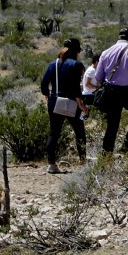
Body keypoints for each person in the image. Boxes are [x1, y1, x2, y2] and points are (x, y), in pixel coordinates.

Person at [40, 37, 88, 174]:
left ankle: (51, 164)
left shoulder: (53, 64)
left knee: (54, 133)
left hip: (54, 101)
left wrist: (48, 96)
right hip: (72, 102)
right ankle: (83, 163)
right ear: (75, 51)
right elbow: (76, 88)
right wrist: (81, 104)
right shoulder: (76, 65)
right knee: (79, 132)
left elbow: (44, 84)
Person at [94, 27, 128, 152]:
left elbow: (98, 77)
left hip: (111, 90)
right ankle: (126, 146)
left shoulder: (106, 52)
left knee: (112, 125)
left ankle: (106, 155)